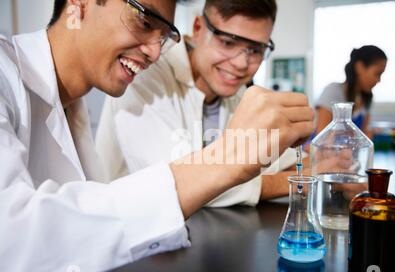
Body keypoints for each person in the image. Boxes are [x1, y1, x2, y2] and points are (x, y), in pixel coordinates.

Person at [0, 0, 314, 272]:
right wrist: (228, 161)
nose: (154, 52)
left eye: (163, 35)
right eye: (144, 19)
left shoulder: (71, 103)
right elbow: (10, 246)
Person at [96, 0, 304, 207]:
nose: (241, 64)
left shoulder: (237, 93)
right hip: (127, 229)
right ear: (198, 29)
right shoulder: (147, 73)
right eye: (228, 42)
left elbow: (276, 158)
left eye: (255, 50)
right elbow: (181, 185)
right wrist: (302, 181)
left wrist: (319, 159)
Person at [314, 45, 387, 139]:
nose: (378, 80)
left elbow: (363, 135)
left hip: (347, 153)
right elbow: (322, 138)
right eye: (377, 74)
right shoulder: (333, 91)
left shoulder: (367, 99)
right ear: (359, 67)